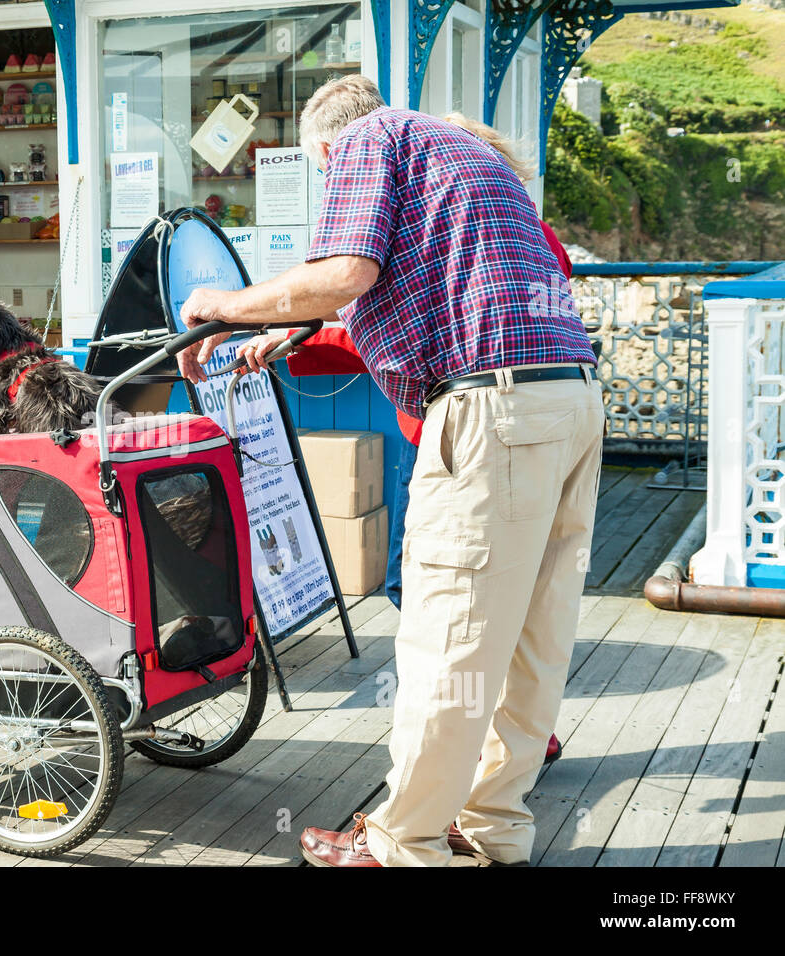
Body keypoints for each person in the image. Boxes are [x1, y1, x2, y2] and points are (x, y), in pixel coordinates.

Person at [176, 76, 603, 867]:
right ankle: (496, 826)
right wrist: (301, 326)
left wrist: (227, 304)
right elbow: (424, 281)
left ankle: (400, 844)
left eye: (322, 172)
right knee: (533, 638)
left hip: (490, 414)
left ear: (329, 149)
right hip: (569, 400)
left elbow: (347, 272)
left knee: (449, 639)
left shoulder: (372, 141)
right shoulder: (471, 155)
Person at [268, 113, 572, 766]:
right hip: (548, 416)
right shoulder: (523, 229)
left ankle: (432, 792)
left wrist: (279, 324)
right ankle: (515, 744)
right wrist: (297, 332)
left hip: (467, 430)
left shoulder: (448, 220)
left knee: (434, 597)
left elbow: (370, 302)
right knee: (521, 598)